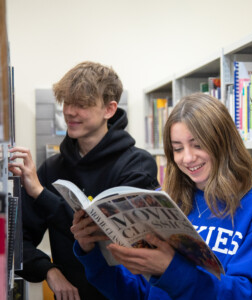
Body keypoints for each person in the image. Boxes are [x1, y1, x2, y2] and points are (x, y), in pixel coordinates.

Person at [70, 93, 252, 300]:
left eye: (198, 145)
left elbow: (248, 294)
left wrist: (170, 269)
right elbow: (136, 292)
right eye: (177, 148)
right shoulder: (161, 202)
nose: (187, 158)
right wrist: (91, 252)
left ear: (222, 142)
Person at [8, 61, 159, 300]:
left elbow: (106, 236)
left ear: (109, 109)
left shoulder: (137, 165)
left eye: (82, 104)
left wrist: (40, 193)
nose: (69, 111)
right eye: (67, 102)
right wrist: (50, 271)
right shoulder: (52, 168)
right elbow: (17, 243)